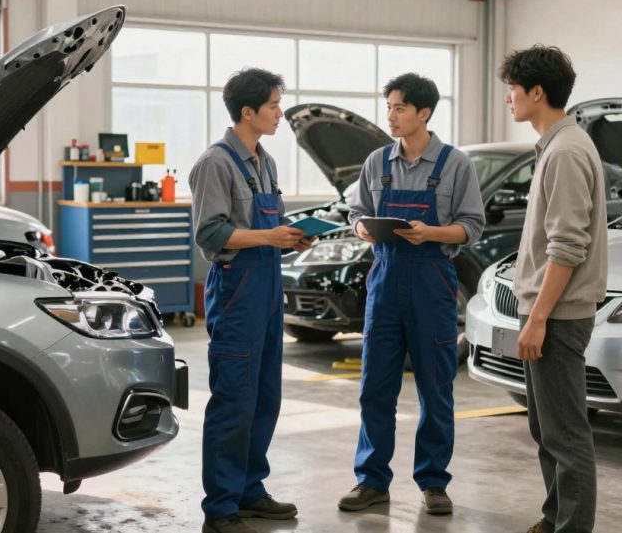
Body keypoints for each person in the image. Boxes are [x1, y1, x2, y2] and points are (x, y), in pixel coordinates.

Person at [339, 72, 485, 516]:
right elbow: (356, 212)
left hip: (431, 282)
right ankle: (371, 481)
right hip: (384, 282)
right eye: (388, 107)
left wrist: (431, 233)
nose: (391, 116)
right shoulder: (377, 162)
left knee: (436, 388)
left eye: (399, 108)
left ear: (424, 113)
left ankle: (434, 482)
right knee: (375, 388)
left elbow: (472, 226)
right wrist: (362, 228)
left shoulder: (455, 164)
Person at [188, 67, 314, 533]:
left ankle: (249, 489)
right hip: (237, 289)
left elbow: (266, 228)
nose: (280, 113)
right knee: (234, 399)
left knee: (264, 395)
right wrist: (269, 236)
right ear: (247, 111)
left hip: (268, 286)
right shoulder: (215, 163)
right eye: (274, 106)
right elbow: (211, 234)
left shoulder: (266, 162)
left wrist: (291, 239)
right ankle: (221, 507)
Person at [498, 45, 608, 533]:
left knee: (565, 432)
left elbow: (567, 246)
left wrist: (539, 317)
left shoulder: (565, 152)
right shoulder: (557, 146)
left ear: (537, 92)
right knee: (547, 428)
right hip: (548, 311)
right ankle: (554, 517)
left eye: (513, 90)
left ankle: (572, 527)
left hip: (558, 315)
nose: (509, 99)